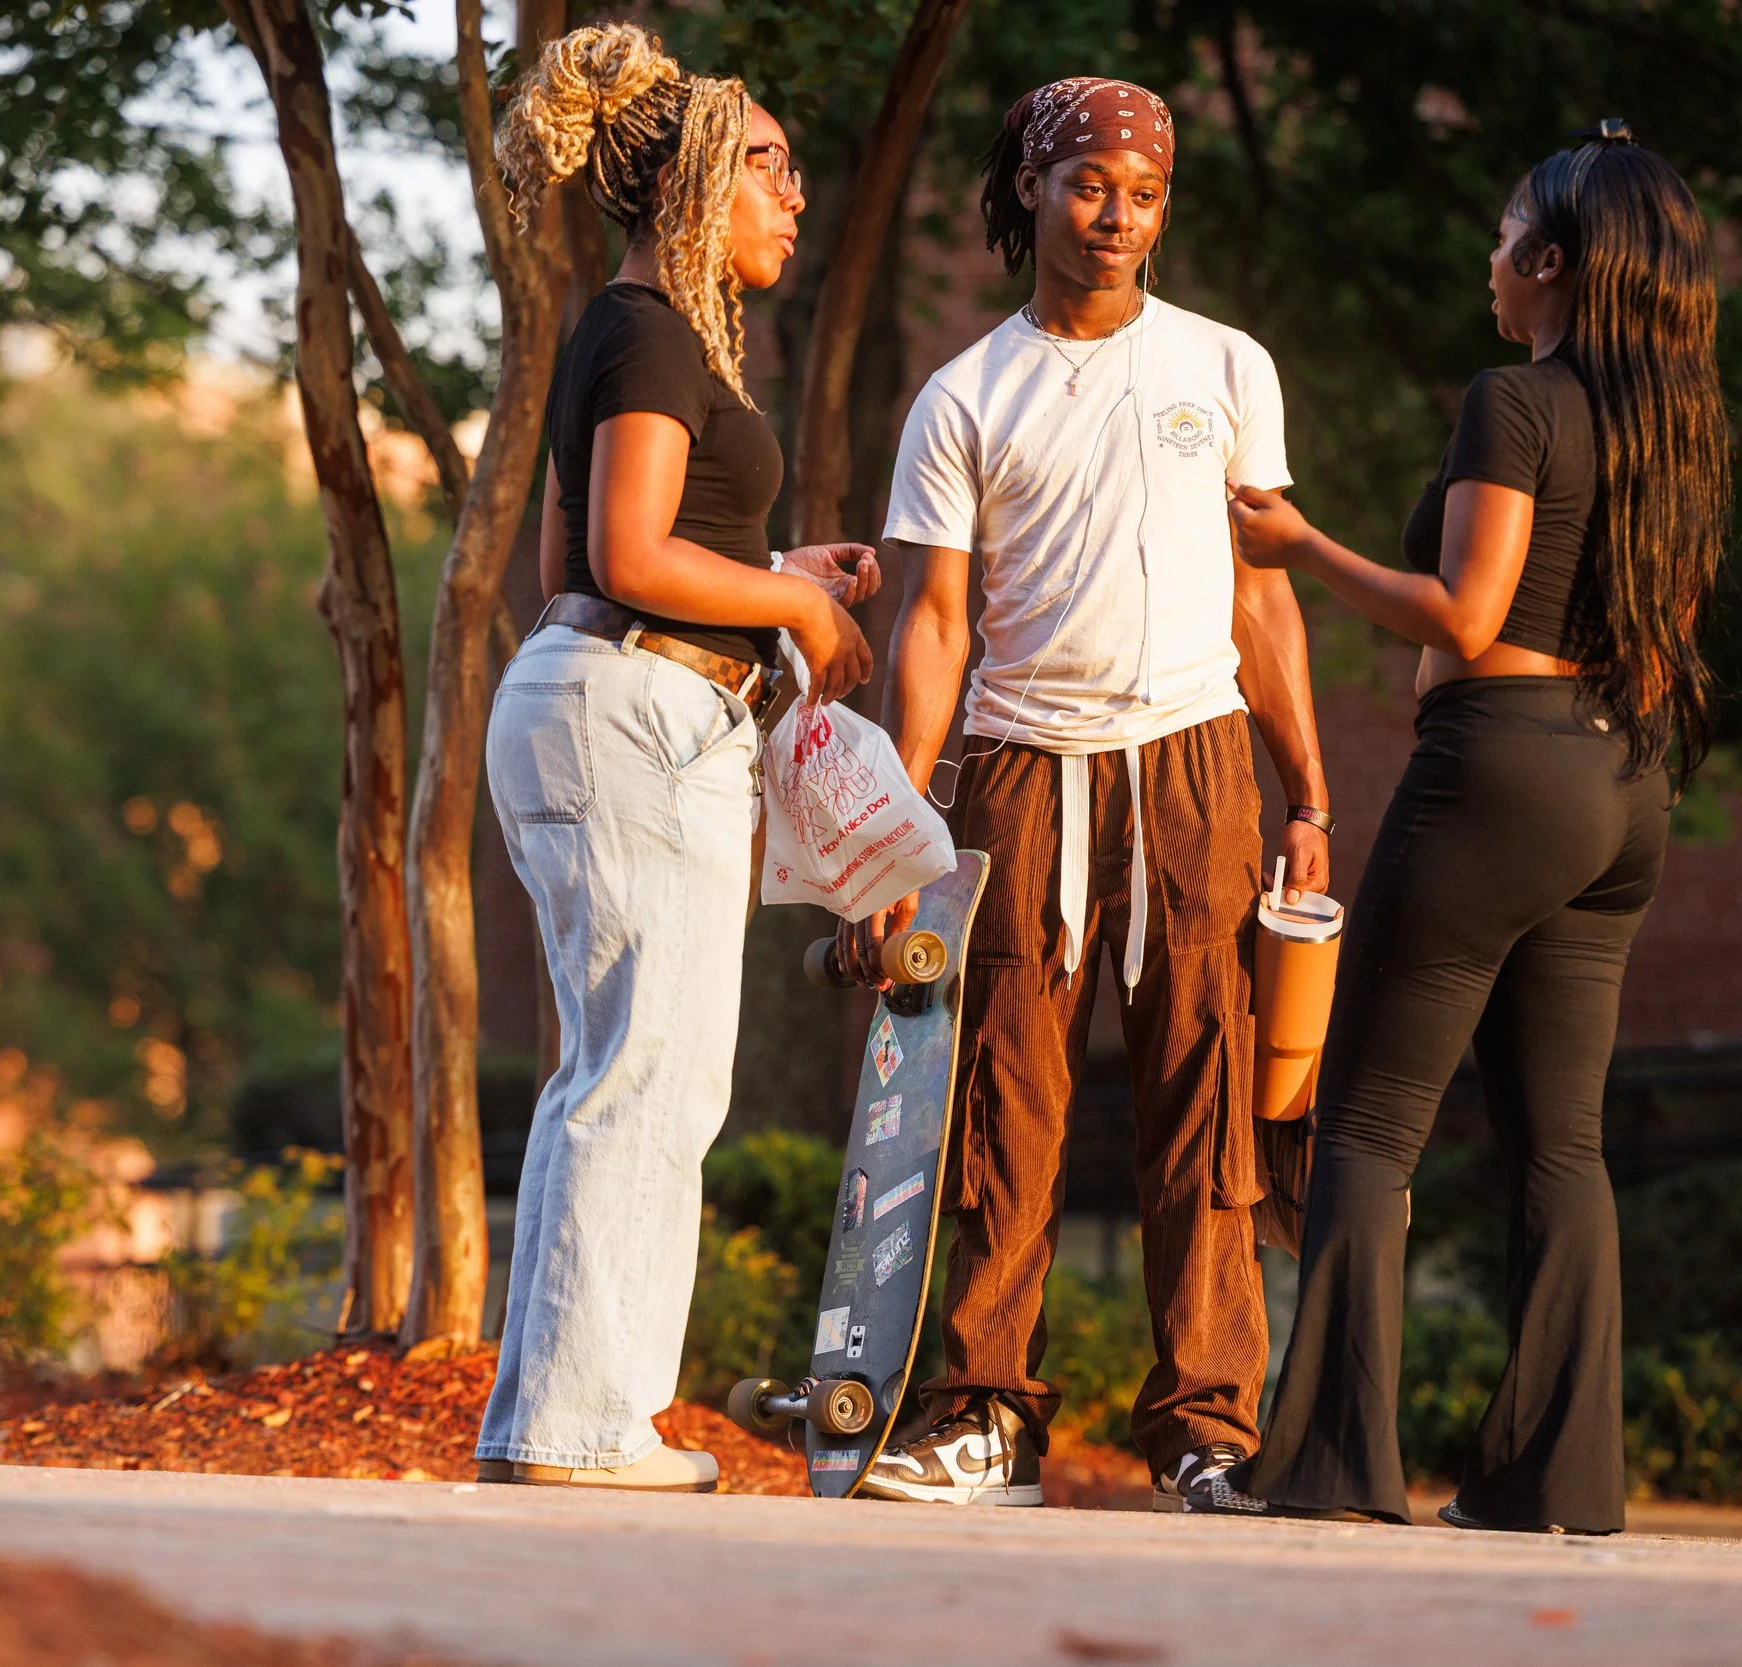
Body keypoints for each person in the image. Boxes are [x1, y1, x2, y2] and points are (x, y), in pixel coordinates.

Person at [1223, 122, 1731, 1532]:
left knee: (1368, 1124)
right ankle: (1551, 1482)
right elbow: (1662, 634)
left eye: (1508, 236)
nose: (1491, 260)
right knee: (1562, 1145)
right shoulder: (1675, 429)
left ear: (1555, 263)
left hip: (1496, 772)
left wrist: (1301, 548)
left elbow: (1464, 610)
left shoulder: (1514, 400)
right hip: (1625, 790)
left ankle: (1329, 1464)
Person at [839, 77, 1333, 1510]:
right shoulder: (965, 392)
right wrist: (901, 822)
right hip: (1015, 775)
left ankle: (1206, 1427)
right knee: (1007, 1100)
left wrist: (1304, 789)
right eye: (1088, 186)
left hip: (1194, 767)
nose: (1117, 216)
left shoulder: (1227, 367)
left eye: (1144, 192)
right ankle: (987, 1412)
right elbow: (933, 623)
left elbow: (1265, 598)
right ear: (1033, 192)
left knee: (1209, 1095)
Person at [476, 22, 880, 1493]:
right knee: (643, 1071)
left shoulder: (637, 334)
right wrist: (790, 601)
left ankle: (551, 1416)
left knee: (621, 1069)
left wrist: (775, 566)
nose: (794, 195)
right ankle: (588, 1423)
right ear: (695, 185)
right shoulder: (645, 328)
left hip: (611, 696)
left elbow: (569, 558)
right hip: (630, 712)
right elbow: (623, 552)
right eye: (768, 167)